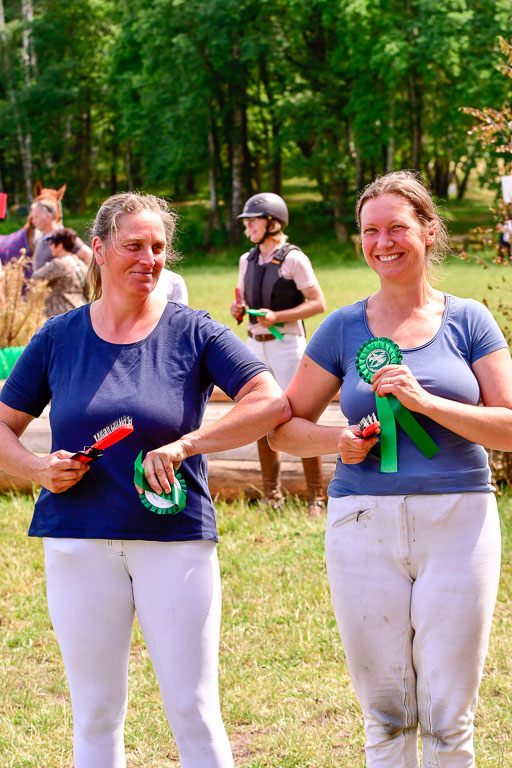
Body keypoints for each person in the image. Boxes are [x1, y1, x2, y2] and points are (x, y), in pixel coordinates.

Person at [0, 192, 289, 768]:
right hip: (77, 540)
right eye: (134, 245)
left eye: (158, 247)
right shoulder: (58, 338)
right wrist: (36, 469)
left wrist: (189, 444)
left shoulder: (194, 331)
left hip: (175, 541)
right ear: (100, 250)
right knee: (96, 712)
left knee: (193, 709)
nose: (149, 258)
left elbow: (269, 400)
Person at [269, 170, 512, 767]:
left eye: (398, 227)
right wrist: (339, 439)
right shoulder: (343, 327)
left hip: (460, 520)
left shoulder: (470, 320)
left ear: (428, 232)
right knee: (385, 714)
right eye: (370, 231)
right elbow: (283, 428)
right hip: (360, 525)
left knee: (449, 717)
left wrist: (427, 404)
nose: (384, 242)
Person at [230, 192, 327, 516]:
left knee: (299, 417)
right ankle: (272, 495)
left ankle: (316, 497)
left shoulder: (294, 259)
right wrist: (239, 309)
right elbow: (247, 300)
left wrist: (278, 317)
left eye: (253, 222)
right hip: (254, 344)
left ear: (273, 222)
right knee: (259, 414)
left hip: (287, 344)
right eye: (247, 223)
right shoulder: (247, 259)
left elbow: (318, 303)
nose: (248, 228)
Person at [32, 227, 89, 317]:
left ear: (60, 246)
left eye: (52, 244)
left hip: (62, 314)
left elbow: (35, 278)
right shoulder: (80, 264)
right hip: (81, 311)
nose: (50, 247)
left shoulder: (58, 264)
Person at [30, 199, 92, 271]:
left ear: (48, 216)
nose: (32, 221)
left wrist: (85, 279)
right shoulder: (39, 238)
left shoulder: (64, 237)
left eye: (36, 217)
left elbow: (89, 256)